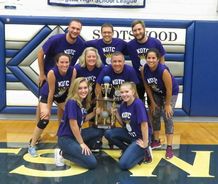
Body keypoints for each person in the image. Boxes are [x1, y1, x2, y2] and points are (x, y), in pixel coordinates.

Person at [28, 53, 74, 157]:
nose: (64, 64)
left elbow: (71, 89)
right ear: (57, 63)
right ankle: (32, 145)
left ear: (69, 63)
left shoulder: (73, 71)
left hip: (61, 95)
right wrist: (48, 109)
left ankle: (64, 137)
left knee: (71, 113)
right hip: (47, 94)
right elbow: (51, 92)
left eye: (66, 62)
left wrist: (70, 104)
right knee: (44, 119)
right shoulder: (52, 73)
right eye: (61, 62)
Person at [56, 77, 104, 169]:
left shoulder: (82, 101)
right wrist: (81, 143)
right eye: (80, 88)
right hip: (66, 139)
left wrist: (94, 113)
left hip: (76, 136)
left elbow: (83, 119)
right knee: (92, 163)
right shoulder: (72, 102)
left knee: (99, 131)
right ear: (75, 89)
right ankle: (64, 153)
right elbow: (73, 125)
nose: (83, 90)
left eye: (85, 88)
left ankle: (79, 151)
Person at [104, 82, 152, 170]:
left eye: (127, 91)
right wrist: (116, 114)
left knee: (123, 165)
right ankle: (128, 150)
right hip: (130, 134)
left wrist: (145, 143)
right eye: (122, 92)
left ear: (133, 92)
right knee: (108, 133)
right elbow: (124, 124)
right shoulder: (123, 105)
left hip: (140, 138)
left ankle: (145, 151)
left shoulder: (138, 104)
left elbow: (144, 125)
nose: (124, 94)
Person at [141, 48, 179, 159]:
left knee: (167, 116)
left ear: (158, 59)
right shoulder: (144, 69)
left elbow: (169, 89)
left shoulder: (163, 71)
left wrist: (167, 105)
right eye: (149, 58)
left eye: (153, 58)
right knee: (155, 114)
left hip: (170, 93)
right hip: (156, 93)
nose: (151, 60)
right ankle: (156, 141)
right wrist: (152, 102)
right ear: (146, 58)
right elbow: (147, 87)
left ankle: (169, 147)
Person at [38, 18, 86, 86]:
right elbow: (40, 54)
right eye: (73, 28)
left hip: (66, 81)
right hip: (48, 77)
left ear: (80, 30)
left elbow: (83, 61)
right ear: (68, 28)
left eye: (78, 29)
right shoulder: (55, 40)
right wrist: (42, 74)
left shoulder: (81, 44)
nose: (75, 31)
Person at [127, 20, 166, 101]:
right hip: (138, 80)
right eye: (135, 30)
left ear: (144, 29)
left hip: (153, 79)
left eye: (139, 29)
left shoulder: (155, 42)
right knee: (138, 104)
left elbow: (162, 59)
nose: (137, 32)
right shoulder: (130, 45)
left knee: (153, 106)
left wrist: (160, 75)